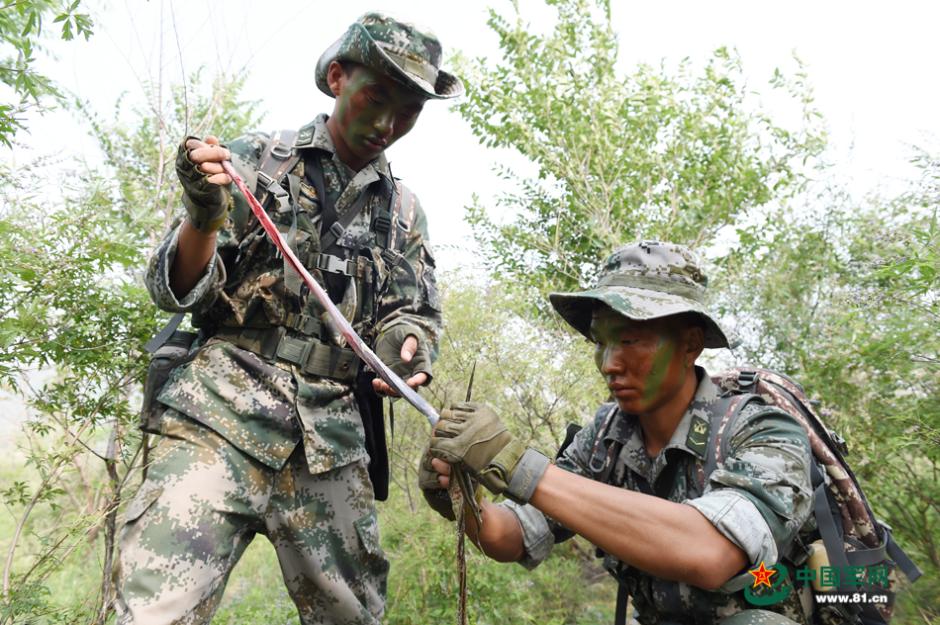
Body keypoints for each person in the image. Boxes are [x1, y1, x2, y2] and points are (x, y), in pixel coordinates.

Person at [116, 13, 462, 625]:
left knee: (354, 616)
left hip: (330, 439)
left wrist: (406, 349)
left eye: (408, 112)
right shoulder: (256, 162)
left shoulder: (404, 212)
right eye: (375, 99)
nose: (387, 124)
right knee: (152, 611)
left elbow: (413, 313)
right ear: (336, 77)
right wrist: (204, 215)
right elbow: (175, 291)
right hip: (220, 416)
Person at [424, 241, 815, 625]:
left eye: (629, 341)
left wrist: (516, 464)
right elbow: (517, 534)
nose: (609, 364)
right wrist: (463, 502)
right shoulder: (605, 438)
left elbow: (712, 551)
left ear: (690, 344)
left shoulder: (762, 431)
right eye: (600, 342)